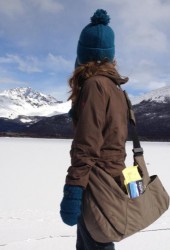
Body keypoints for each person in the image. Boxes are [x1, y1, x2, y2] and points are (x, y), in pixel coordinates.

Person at [60, 9, 129, 250]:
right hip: (113, 178)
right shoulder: (116, 89)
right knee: (97, 240)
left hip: (95, 184)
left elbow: (86, 146)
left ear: (82, 54)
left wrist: (74, 189)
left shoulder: (93, 86)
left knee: (96, 244)